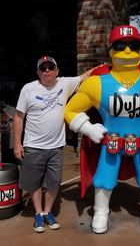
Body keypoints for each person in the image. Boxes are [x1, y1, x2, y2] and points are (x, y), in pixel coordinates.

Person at [64, 25, 140, 234]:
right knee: (104, 176)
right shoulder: (96, 83)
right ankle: (101, 210)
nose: (128, 51)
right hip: (110, 142)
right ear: (111, 50)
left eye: (134, 45)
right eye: (121, 45)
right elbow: (71, 110)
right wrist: (88, 128)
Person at [13, 55, 94, 233]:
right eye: (43, 68)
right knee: (34, 183)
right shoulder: (28, 89)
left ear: (57, 70)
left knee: (54, 182)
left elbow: (85, 77)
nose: (47, 71)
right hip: (33, 146)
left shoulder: (64, 83)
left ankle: (48, 212)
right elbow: (19, 118)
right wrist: (17, 144)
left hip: (56, 147)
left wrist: (107, 66)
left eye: (51, 67)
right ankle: (38, 214)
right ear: (38, 72)